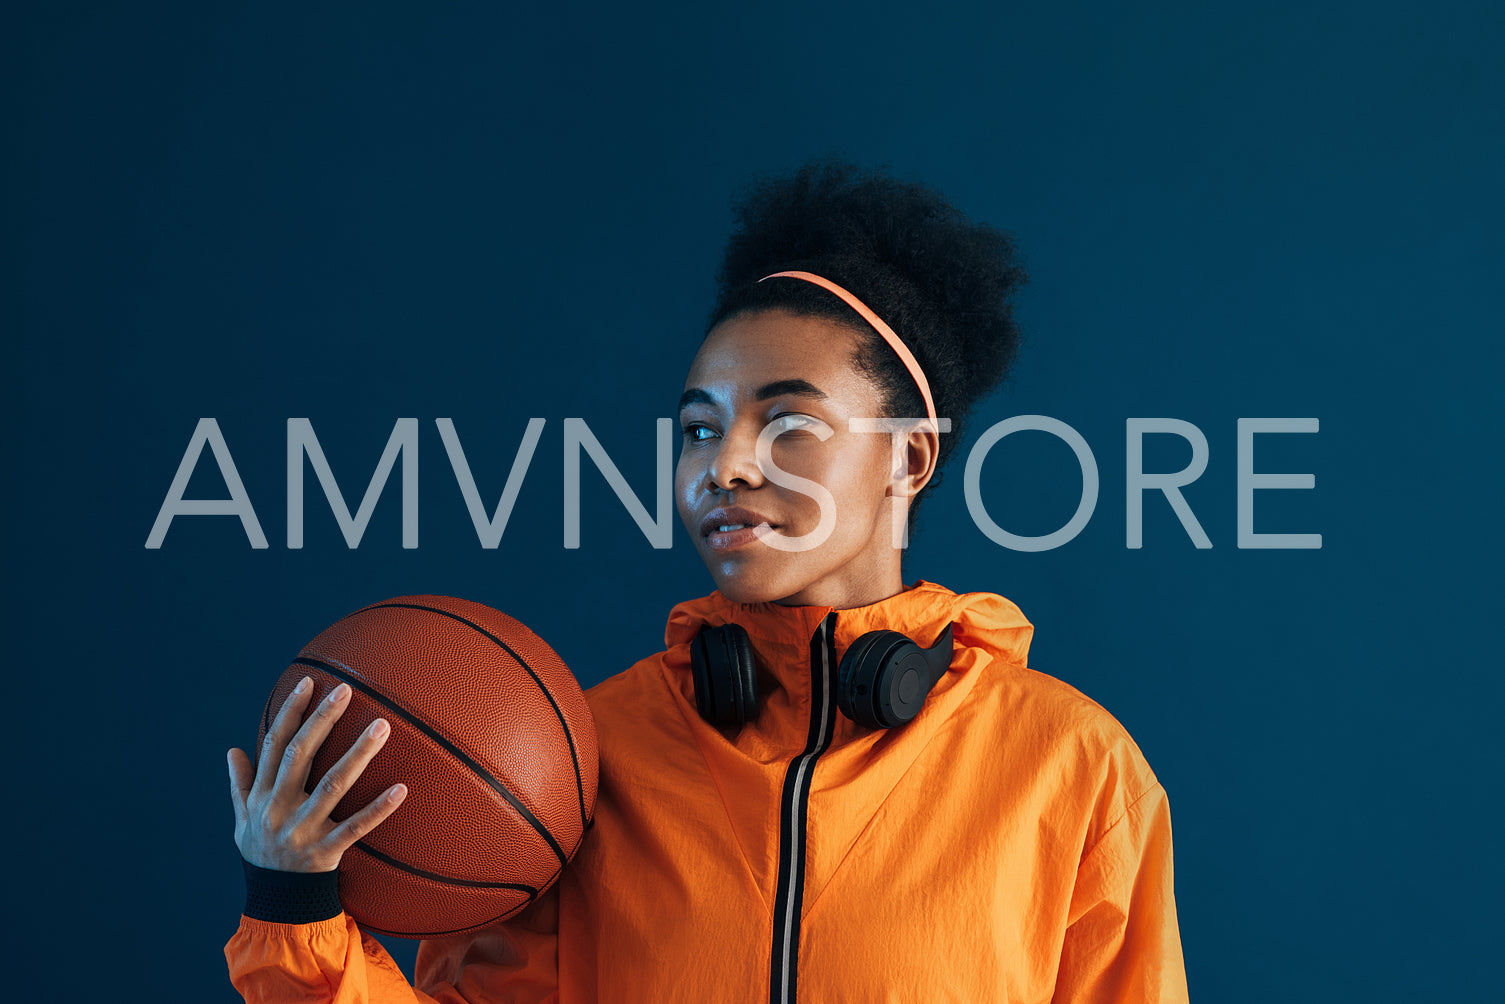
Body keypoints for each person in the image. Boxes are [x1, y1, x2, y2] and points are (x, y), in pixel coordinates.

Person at [225, 158, 1190, 1002]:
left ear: (909, 460)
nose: (722, 465)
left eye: (785, 423)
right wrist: (294, 902)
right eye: (697, 427)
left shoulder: (1074, 768)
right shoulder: (577, 769)